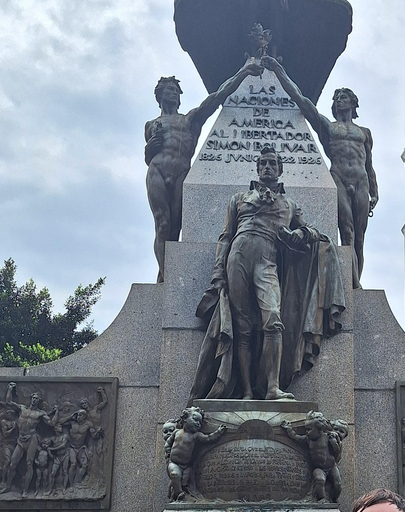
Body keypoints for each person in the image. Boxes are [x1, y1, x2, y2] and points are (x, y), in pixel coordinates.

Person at [188, 147, 345, 403]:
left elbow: (312, 232)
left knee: (273, 318)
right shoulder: (239, 198)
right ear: (257, 168)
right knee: (243, 327)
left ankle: (273, 387)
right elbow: (225, 237)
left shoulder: (290, 205)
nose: (267, 167)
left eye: (272, 163)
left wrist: (299, 234)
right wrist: (218, 271)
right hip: (238, 256)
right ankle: (247, 392)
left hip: (267, 260)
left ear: (280, 169)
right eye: (263, 163)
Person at [262, 56, 378, 289]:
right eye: (336, 99)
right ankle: (351, 282)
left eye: (344, 98)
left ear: (353, 103)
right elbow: (301, 100)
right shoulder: (328, 127)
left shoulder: (364, 132)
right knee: (347, 232)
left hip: (361, 180)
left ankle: (357, 282)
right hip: (339, 178)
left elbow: (369, 164)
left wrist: (375, 192)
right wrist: (278, 70)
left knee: (360, 240)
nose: (339, 101)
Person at [145, 59, 264, 283]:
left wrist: (243, 72)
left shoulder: (189, 119)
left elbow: (216, 98)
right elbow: (148, 156)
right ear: (160, 95)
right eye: (169, 90)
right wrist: (148, 149)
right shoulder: (151, 124)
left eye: (176, 91)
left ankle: (168, 275)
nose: (173, 94)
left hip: (181, 171)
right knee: (162, 224)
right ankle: (164, 276)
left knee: (176, 227)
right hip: (157, 171)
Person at [1, 383, 54, 497]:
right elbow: (9, 402)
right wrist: (10, 389)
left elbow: (51, 423)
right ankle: (7, 486)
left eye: (36, 399)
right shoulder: (22, 408)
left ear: (39, 401)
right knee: (12, 463)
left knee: (29, 463)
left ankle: (25, 491)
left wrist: (57, 412)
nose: (34, 400)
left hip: (32, 439)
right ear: (31, 399)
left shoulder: (40, 413)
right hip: (21, 440)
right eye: (33, 398)